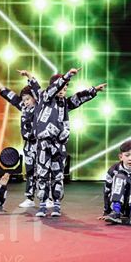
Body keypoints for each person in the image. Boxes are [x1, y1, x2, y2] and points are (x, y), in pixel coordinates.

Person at [33, 68, 106, 218]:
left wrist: (94, 90)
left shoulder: (64, 104)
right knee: (42, 174)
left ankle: (56, 204)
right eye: (61, 87)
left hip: (59, 146)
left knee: (58, 175)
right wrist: (67, 76)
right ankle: (42, 205)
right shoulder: (45, 97)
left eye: (66, 88)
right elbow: (54, 88)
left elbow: (78, 98)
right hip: (44, 145)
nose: (63, 90)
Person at [0, 69, 41, 208]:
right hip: (29, 145)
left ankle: (47, 197)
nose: (25, 102)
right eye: (24, 100)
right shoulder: (24, 108)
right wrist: (2, 90)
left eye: (28, 99)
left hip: (41, 145)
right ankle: (29, 198)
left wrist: (29, 76)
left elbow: (37, 90)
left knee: (43, 171)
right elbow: (14, 99)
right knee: (30, 171)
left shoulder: (40, 108)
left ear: (34, 98)